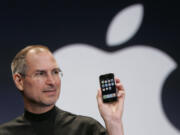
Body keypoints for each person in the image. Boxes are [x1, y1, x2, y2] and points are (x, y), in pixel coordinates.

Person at [0, 45, 125, 135]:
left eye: (55, 72)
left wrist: (113, 122)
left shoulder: (85, 129)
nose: (52, 81)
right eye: (40, 74)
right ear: (19, 81)